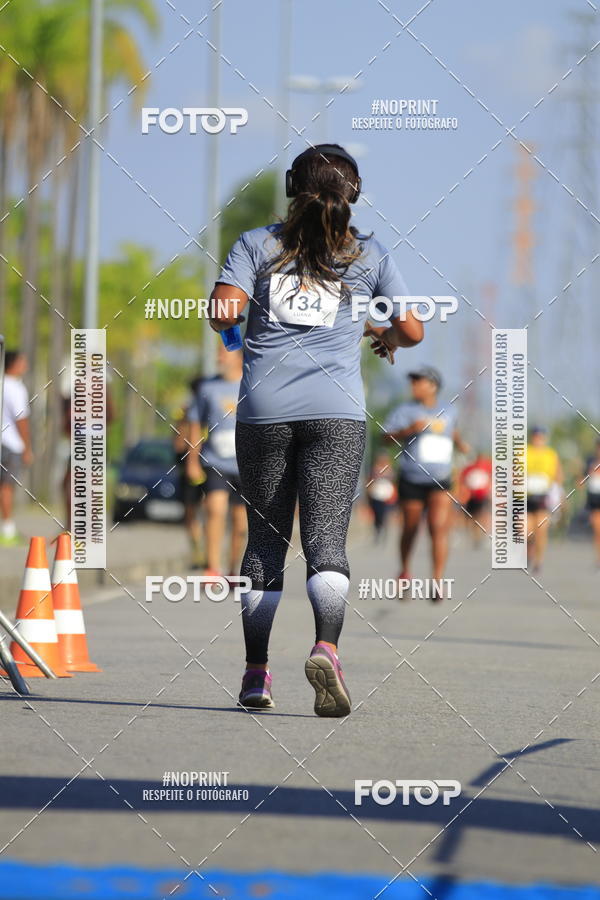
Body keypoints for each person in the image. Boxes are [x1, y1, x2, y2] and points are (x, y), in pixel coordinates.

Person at [207, 143, 423, 715]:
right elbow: (413, 329)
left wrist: (237, 315)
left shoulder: (257, 244)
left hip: (264, 413)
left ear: (289, 188)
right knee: (326, 542)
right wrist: (385, 336)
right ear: (353, 194)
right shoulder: (368, 253)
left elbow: (225, 311)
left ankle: (257, 675)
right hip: (337, 415)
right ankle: (327, 646)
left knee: (264, 543)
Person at [384, 366, 469, 600]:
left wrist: (461, 445)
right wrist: (409, 430)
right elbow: (385, 436)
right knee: (410, 528)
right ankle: (404, 571)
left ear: (432, 385)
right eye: (412, 381)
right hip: (412, 477)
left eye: (417, 381)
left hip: (441, 478)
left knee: (438, 527)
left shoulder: (450, 411)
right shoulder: (404, 410)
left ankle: (437, 580)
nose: (413, 386)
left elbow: (453, 433)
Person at [187, 345, 247, 579]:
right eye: (218, 352)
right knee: (215, 508)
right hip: (215, 461)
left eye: (224, 352)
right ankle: (212, 568)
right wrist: (192, 461)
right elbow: (194, 424)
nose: (218, 357)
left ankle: (233, 569)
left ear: (239, 355)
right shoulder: (208, 388)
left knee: (241, 523)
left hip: (245, 464)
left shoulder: (252, 384)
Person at [173, 378, 206, 568]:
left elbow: (177, 442)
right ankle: (199, 553)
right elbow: (178, 442)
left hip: (202, 464)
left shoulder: (194, 410)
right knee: (193, 511)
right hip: (192, 465)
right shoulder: (187, 411)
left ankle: (202, 553)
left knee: (199, 511)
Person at [0, 350, 32, 545]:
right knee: (7, 486)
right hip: (10, 442)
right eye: (23, 361)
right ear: (14, 364)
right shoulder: (16, 388)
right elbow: (21, 419)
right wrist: (27, 447)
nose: (25, 365)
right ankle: (8, 529)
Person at [526, 426, 562, 573]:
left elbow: (558, 475)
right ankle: (529, 552)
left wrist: (558, 494)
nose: (538, 439)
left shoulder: (551, 455)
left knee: (541, 530)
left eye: (541, 436)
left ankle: (538, 561)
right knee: (526, 531)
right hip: (526, 497)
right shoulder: (524, 452)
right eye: (535, 436)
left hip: (543, 497)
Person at [459, 452, 493, 547]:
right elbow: (462, 480)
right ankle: (474, 534)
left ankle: (480, 535)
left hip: (483, 496)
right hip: (471, 496)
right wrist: (463, 493)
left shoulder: (488, 467)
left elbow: (492, 479)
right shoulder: (469, 468)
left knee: (482, 514)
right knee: (471, 516)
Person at [366, 452, 397, 542]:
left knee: (384, 513)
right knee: (377, 513)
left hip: (386, 495)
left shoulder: (389, 469)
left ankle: (383, 528)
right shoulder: (374, 469)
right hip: (376, 494)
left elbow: (392, 480)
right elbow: (370, 480)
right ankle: (377, 528)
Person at [580, 439, 600, 568]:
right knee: (597, 530)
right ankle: (598, 559)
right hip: (594, 500)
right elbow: (580, 482)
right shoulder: (589, 461)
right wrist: (590, 475)